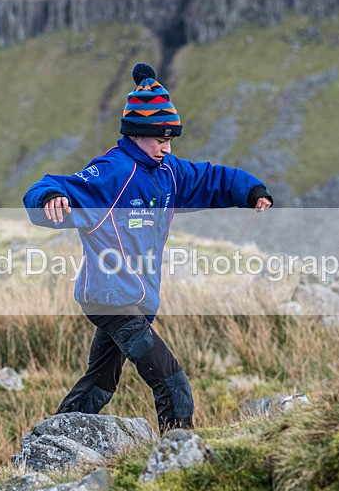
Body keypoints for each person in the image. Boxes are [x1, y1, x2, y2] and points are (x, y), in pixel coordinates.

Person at [23, 62, 273, 434]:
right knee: (173, 383)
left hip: (139, 299)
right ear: (138, 134)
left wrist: (252, 191)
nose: (166, 148)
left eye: (170, 140)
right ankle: (178, 459)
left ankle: (50, 442)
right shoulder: (113, 172)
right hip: (111, 299)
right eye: (160, 140)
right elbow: (54, 187)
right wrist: (51, 198)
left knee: (101, 382)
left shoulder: (169, 171)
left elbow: (211, 179)